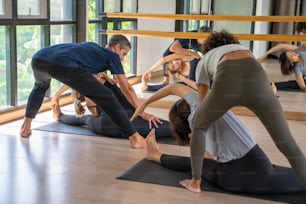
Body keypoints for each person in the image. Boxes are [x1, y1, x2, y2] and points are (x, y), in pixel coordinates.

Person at [174, 30, 306, 193]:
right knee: (287, 142)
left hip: (227, 79)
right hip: (257, 77)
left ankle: (195, 182)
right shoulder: (241, 49)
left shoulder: (206, 58)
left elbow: (203, 101)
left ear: (208, 48)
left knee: (200, 127)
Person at [132, 82, 304, 194]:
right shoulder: (199, 101)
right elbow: (175, 86)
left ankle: (154, 155)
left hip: (238, 176)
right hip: (256, 168)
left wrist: (195, 182)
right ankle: (155, 155)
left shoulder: (195, 123)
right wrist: (145, 103)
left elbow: (199, 158)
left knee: (195, 164)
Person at [19, 34, 161, 148]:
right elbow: (127, 87)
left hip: (39, 59)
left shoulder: (92, 48)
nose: (122, 59)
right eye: (124, 54)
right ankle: (134, 138)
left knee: (39, 88)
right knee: (107, 96)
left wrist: (101, 74)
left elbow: (76, 73)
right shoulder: (112, 56)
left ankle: (26, 127)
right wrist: (142, 112)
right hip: (62, 63)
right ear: (117, 47)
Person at [51, 73, 172, 139]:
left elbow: (92, 115)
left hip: (105, 126)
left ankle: (59, 116)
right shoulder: (105, 84)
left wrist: (57, 96)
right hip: (119, 122)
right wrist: (144, 114)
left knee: (85, 119)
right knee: (173, 128)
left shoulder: (90, 90)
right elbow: (128, 92)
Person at [154, 26, 212, 91]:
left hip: (209, 72)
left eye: (172, 62)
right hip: (204, 81)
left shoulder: (190, 59)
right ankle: (165, 79)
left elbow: (164, 59)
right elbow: (171, 50)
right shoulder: (190, 36)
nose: (174, 62)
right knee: (166, 54)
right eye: (173, 66)